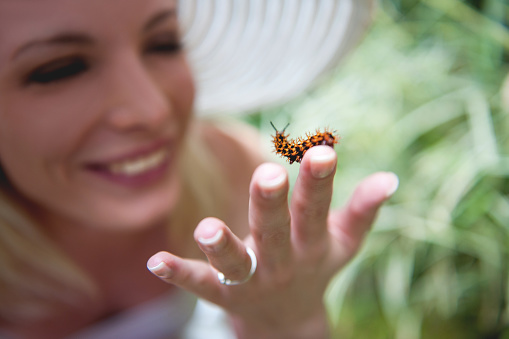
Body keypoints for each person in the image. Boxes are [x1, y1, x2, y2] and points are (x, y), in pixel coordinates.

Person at [0, 0, 399, 338]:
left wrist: (292, 322)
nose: (152, 110)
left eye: (164, 42)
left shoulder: (230, 169)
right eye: (60, 69)